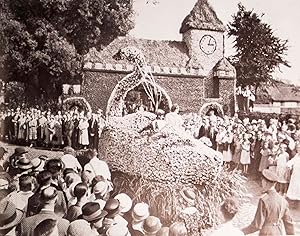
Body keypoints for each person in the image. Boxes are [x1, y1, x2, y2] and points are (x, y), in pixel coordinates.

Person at [242, 169, 294, 235]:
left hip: (266, 233)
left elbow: (257, 225)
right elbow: (289, 223)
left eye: (262, 181)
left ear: (265, 182)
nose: (261, 183)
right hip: (278, 232)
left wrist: (243, 231)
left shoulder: (264, 200)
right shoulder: (283, 200)